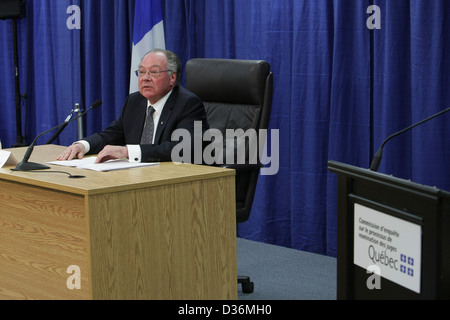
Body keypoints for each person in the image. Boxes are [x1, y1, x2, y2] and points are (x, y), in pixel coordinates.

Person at [56, 49, 208, 164]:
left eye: (154, 72)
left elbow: (182, 149)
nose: (145, 78)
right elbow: (112, 135)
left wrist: (127, 151)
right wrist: (84, 145)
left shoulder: (188, 104)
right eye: (141, 72)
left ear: (172, 78)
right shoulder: (135, 101)